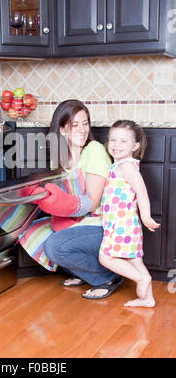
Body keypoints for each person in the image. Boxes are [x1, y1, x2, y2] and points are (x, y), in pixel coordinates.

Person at [19, 99, 124, 300]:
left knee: (54, 246)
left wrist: (60, 204)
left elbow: (93, 203)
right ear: (62, 129)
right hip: (78, 222)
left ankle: (107, 276)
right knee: (32, 232)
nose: (82, 130)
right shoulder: (59, 157)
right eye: (75, 125)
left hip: (102, 224)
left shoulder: (94, 150)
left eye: (85, 123)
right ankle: (83, 272)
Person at [98, 120, 159, 307]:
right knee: (135, 261)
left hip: (122, 224)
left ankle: (140, 279)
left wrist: (146, 216)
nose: (116, 145)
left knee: (106, 257)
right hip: (122, 224)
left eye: (123, 141)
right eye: (113, 139)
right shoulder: (119, 165)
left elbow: (141, 191)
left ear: (135, 145)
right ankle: (147, 298)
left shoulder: (126, 166)